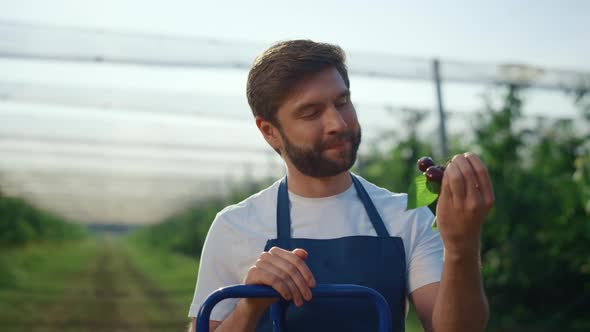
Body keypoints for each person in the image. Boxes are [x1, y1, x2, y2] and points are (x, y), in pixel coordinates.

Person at [188, 40, 494, 332]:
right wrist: (249, 306)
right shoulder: (235, 226)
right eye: (311, 113)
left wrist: (461, 246)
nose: (338, 123)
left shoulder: (407, 215)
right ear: (270, 132)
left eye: (342, 102)